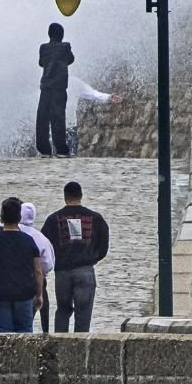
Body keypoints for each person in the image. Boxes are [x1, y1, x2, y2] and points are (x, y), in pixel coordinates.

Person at [44, 180, 110, 333]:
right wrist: (93, 258)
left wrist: (56, 261)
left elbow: (44, 246)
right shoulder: (96, 218)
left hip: (62, 272)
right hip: (86, 270)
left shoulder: (53, 219)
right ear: (81, 196)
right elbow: (104, 246)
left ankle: (60, 347)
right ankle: (81, 349)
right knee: (84, 314)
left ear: (65, 197)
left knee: (62, 311)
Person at [0, 197, 44, 334]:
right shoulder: (29, 241)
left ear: (1, 218)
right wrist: (39, 294)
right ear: (19, 217)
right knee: (25, 334)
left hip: (0, 295)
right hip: (24, 294)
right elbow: (38, 271)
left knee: (3, 335)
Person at [36, 23, 75, 157]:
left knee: (42, 118)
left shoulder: (43, 48)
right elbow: (71, 59)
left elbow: (41, 63)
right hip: (59, 87)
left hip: (46, 86)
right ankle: (61, 150)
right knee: (58, 118)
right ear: (61, 35)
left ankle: (44, 150)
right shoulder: (65, 47)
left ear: (49, 34)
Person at [19, 202, 56, 332]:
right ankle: (46, 332)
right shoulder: (41, 237)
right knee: (42, 306)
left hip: (15, 279)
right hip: (38, 279)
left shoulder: (7, 231)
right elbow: (49, 263)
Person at [65, 76, 124, 156]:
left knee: (70, 158)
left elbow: (92, 93)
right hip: (51, 128)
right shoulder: (46, 81)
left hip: (69, 127)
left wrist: (108, 97)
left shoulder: (73, 82)